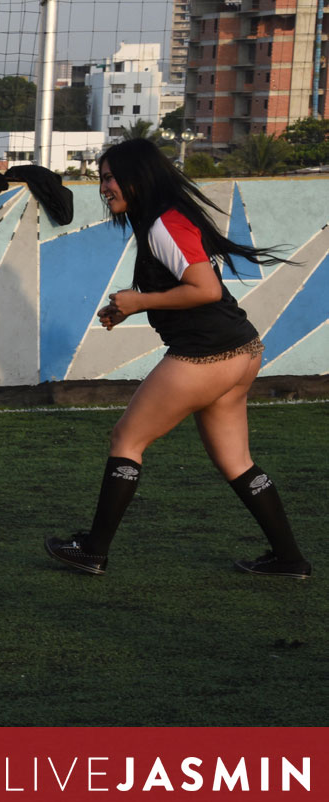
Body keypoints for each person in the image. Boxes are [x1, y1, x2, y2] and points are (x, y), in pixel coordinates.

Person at [45, 138, 310, 579]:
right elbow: (193, 289)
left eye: (109, 178)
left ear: (136, 177)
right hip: (241, 352)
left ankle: (92, 550)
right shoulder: (163, 220)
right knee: (236, 462)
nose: (103, 188)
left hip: (206, 355)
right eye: (101, 179)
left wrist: (140, 301)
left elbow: (203, 289)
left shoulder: (163, 223)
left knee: (126, 441)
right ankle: (289, 559)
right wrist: (130, 305)